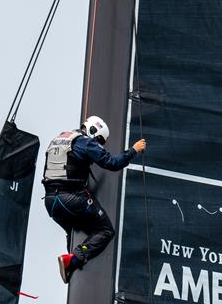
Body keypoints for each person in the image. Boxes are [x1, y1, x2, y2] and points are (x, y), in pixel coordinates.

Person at [42, 115, 146, 283]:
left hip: (50, 202)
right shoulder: (86, 142)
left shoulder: (60, 139)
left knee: (73, 231)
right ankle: (73, 260)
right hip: (70, 199)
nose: (99, 144)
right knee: (105, 230)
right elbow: (112, 163)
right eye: (99, 140)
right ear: (93, 132)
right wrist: (133, 150)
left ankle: (71, 262)